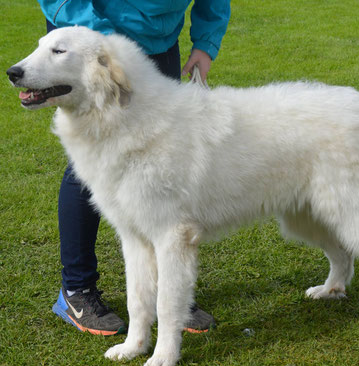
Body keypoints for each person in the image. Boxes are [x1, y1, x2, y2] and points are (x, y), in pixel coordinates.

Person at [38, 0, 231, 336]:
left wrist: (205, 43)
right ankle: (77, 291)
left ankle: (168, 296)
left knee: (161, 165)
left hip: (157, 43)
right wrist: (106, 46)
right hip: (89, 43)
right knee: (92, 163)